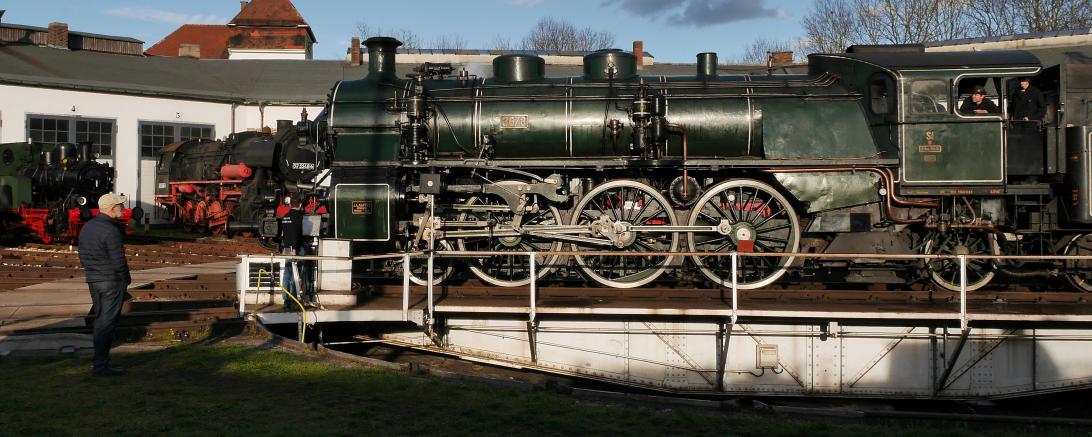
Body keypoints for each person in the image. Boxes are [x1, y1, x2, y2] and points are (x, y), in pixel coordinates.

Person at [78, 193, 131, 377]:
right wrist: (126, 281)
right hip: (110, 281)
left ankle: (99, 362)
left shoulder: (87, 228)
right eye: (120, 206)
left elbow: (82, 256)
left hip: (94, 280)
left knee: (100, 320)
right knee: (107, 323)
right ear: (111, 209)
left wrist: (93, 272)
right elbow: (119, 262)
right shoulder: (111, 230)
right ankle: (101, 365)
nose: (122, 210)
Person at [277, 196, 306, 305]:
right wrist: (294, 248)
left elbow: (284, 234)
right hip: (296, 248)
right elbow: (295, 232)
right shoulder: (299, 217)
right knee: (297, 273)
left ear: (290, 205)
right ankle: (294, 298)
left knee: (287, 272)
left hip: (287, 247)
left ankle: (286, 298)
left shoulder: (285, 217)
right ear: (300, 205)